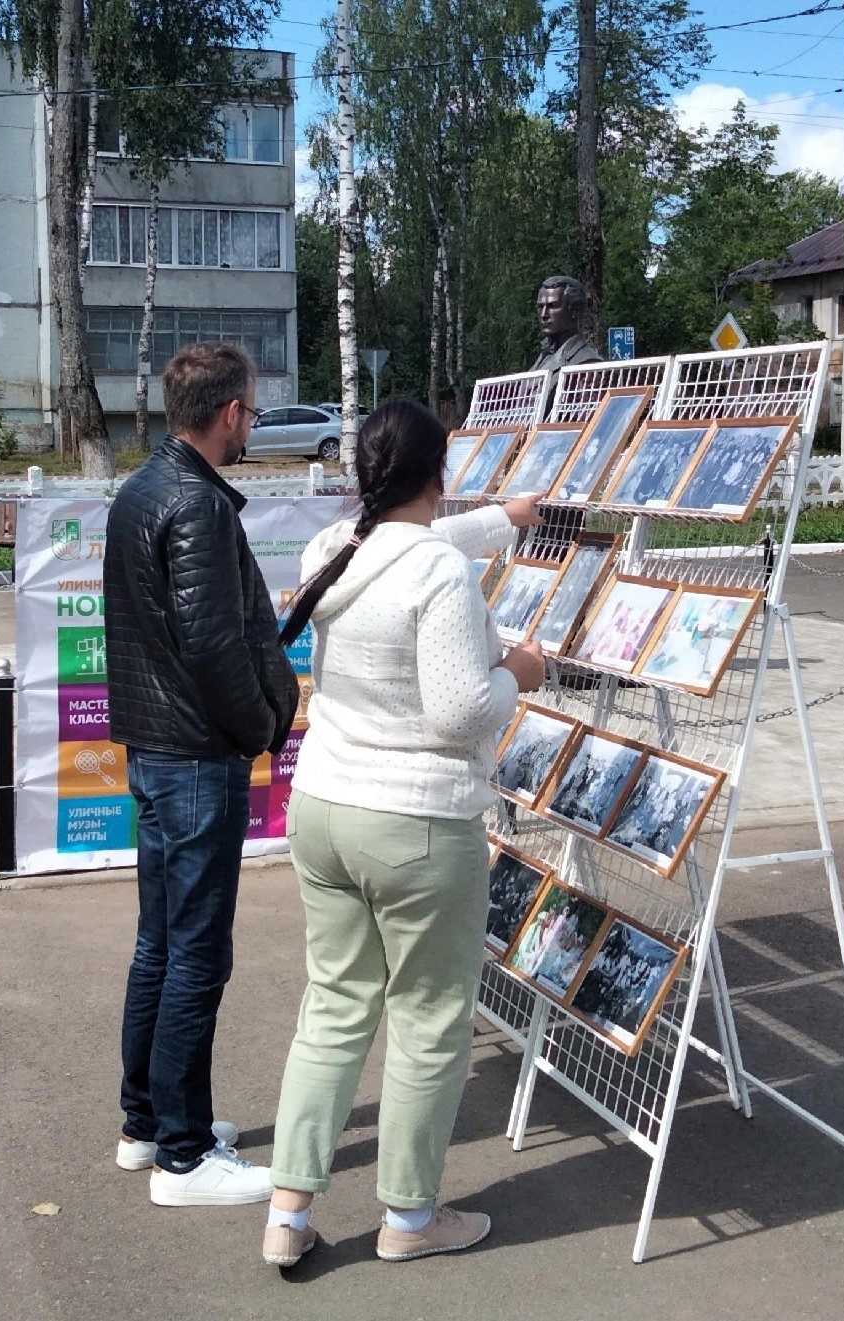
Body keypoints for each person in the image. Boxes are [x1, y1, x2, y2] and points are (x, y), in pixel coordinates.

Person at [261, 400, 549, 1269]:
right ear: (440, 472)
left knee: (334, 1007)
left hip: (324, 809)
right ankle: (410, 1220)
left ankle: (288, 1210)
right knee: (429, 1018)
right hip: (416, 819)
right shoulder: (438, 575)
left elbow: (405, 548)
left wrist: (503, 522)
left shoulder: (330, 550)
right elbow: (461, 710)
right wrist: (519, 672)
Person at [105, 341, 299, 1207]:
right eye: (251, 413)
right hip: (192, 758)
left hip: (155, 750)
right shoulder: (197, 505)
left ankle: (146, 1124)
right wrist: (263, 726)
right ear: (227, 413)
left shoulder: (141, 488)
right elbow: (215, 643)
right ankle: (183, 1154)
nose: (251, 424)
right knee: (195, 955)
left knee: (160, 944)